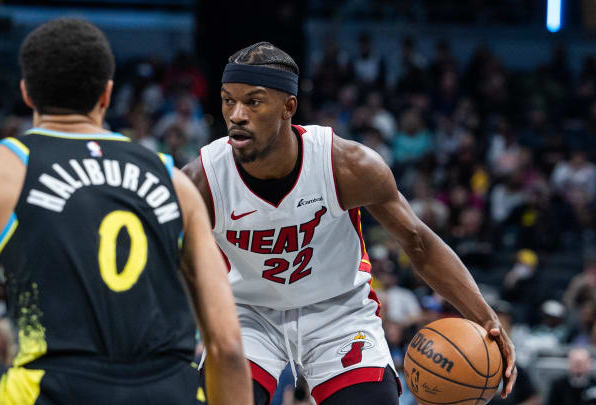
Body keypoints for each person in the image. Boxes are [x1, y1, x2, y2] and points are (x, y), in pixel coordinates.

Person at [0, 18, 251, 405]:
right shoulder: (172, 179)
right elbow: (227, 345)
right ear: (107, 95)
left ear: (27, 94)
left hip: (55, 389)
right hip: (168, 391)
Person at [183, 41, 517, 405]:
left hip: (337, 312)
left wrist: (487, 319)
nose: (236, 114)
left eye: (254, 101)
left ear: (288, 108)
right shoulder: (202, 181)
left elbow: (418, 242)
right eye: (228, 100)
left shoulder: (347, 166)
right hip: (248, 313)